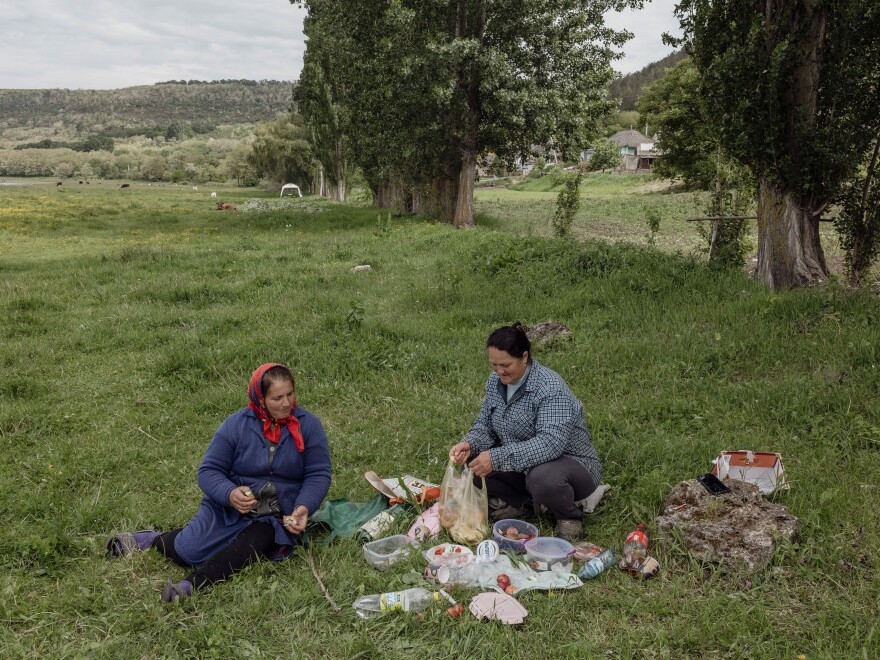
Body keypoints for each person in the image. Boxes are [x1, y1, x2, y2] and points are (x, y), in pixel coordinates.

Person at [106, 363, 332, 602]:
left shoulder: (309, 425)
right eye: (277, 398)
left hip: (276, 517)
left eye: (290, 394)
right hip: (229, 509)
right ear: (260, 398)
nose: (286, 403)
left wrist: (303, 507)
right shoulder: (236, 425)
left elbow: (318, 474)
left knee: (248, 546)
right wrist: (230, 493)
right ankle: (155, 539)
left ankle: (190, 586)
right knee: (187, 551)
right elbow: (208, 471)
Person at [449, 324, 601, 542]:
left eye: (505, 365)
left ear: (524, 357)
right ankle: (527, 504)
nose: (499, 372)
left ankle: (568, 516)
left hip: (570, 464)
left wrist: (496, 457)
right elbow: (486, 424)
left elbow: (550, 444)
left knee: (543, 478)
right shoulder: (495, 383)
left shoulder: (550, 388)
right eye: (494, 365)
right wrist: (470, 443)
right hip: (523, 464)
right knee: (472, 465)